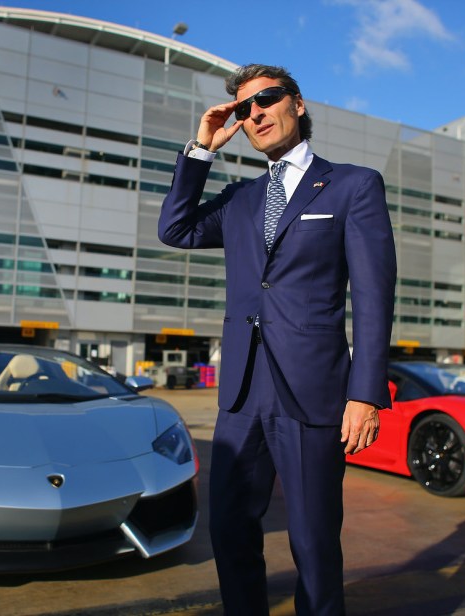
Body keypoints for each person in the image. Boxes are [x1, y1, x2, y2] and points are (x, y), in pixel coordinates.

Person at [158, 64, 396, 615]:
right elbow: (176, 229)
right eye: (244, 109)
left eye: (265, 99)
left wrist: (365, 394)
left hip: (312, 391)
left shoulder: (352, 185)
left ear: (298, 103)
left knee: (313, 542)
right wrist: (201, 149)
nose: (255, 113)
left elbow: (374, 296)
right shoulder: (240, 198)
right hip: (241, 392)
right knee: (229, 531)